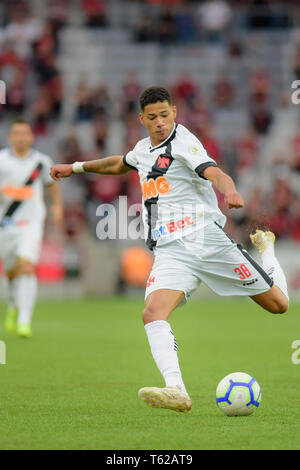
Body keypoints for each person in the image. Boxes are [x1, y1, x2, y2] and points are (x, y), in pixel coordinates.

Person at [50, 86, 289, 413]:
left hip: (206, 241)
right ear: (141, 119)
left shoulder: (184, 142)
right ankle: (176, 388)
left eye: (165, 114)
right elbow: (117, 164)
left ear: (174, 112)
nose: (160, 122)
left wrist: (230, 191)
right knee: (152, 313)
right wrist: (75, 167)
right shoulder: (142, 149)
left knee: (279, 305)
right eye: (153, 117)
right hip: (170, 250)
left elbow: (216, 173)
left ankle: (267, 252)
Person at [0, 119, 63, 338]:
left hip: (32, 222)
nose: (21, 137)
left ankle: (24, 320)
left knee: (26, 266)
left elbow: (52, 185)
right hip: (6, 223)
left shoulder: (41, 161)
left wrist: (57, 207)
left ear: (31, 137)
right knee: (11, 272)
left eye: (25, 133)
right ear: (10, 137)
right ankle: (13, 305)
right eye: (16, 133)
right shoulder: (1, 161)